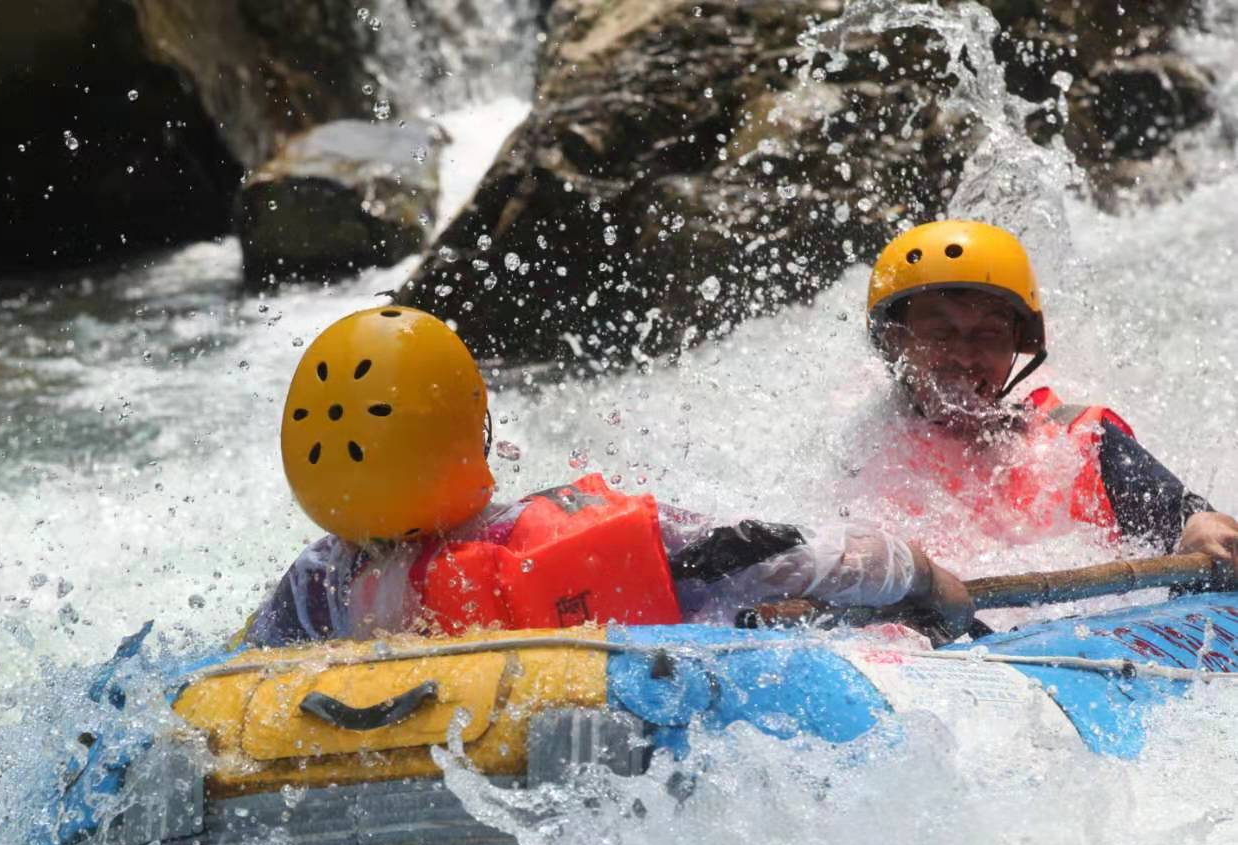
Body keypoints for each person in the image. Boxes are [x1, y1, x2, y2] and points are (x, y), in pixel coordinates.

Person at [244, 304, 972, 647]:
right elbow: (798, 557)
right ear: (471, 432)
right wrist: (926, 579)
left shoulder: (318, 588)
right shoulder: (609, 543)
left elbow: (237, 662)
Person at [859, 219, 1238, 564]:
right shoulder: (858, 453)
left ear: (1017, 345)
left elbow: (1188, 521)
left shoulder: (1078, 440)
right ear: (894, 344)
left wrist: (1199, 527)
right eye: (941, 335)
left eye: (989, 334)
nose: (964, 355)